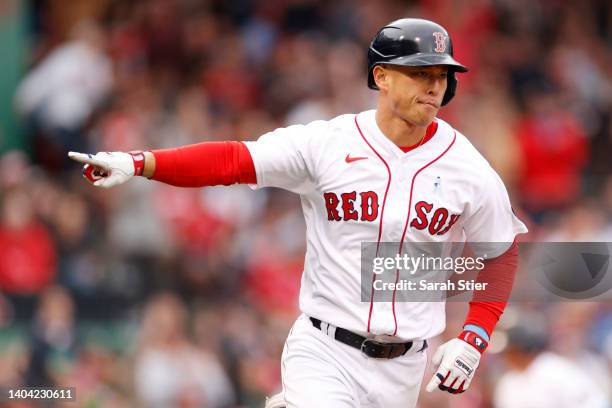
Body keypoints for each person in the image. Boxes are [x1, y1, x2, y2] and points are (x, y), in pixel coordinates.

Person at [69, 18, 527, 408]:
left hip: (405, 368)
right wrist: (141, 162)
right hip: (325, 347)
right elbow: (233, 160)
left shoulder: (466, 166)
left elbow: (501, 252)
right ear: (382, 76)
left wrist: (474, 336)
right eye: (419, 72)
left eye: (442, 75)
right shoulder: (327, 144)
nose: (434, 85)